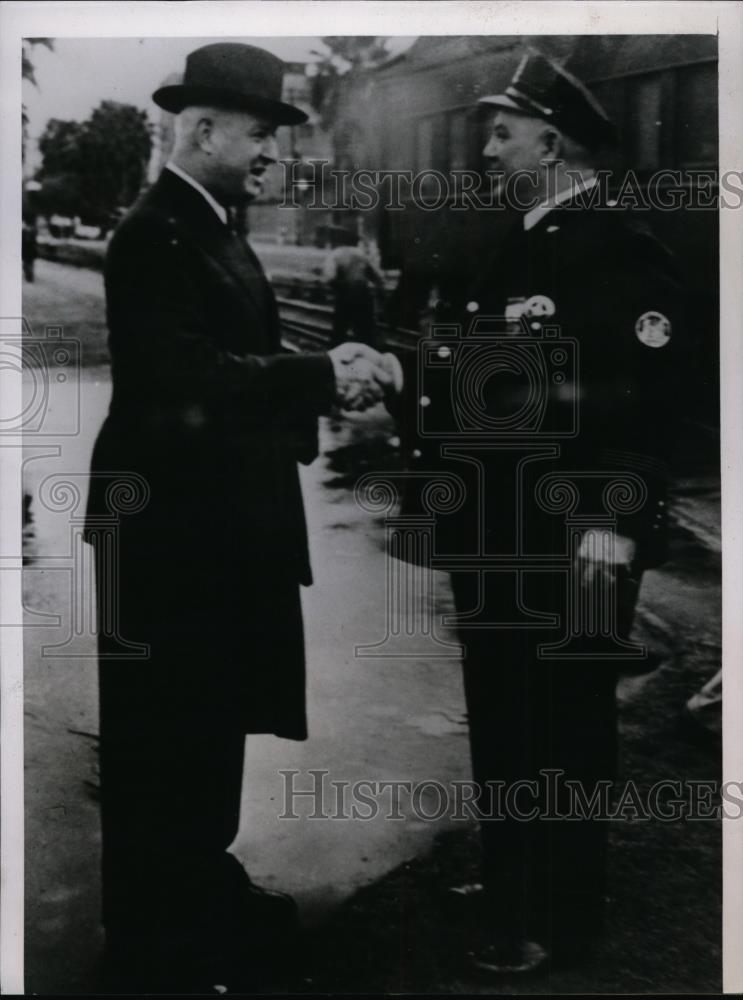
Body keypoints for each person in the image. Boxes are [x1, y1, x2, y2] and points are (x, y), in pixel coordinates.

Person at [83, 42, 393, 992]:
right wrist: (321, 375)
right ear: (202, 128)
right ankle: (154, 937)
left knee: (206, 727)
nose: (272, 153)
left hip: (214, 526)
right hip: (171, 535)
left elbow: (237, 363)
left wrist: (325, 385)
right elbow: (183, 382)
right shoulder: (152, 234)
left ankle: (199, 889)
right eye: (260, 133)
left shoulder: (211, 223)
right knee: (161, 740)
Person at [395, 49, 685, 976]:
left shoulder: (616, 248)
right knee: (502, 709)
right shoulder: (521, 239)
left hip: (576, 539)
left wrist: (614, 525)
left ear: (550, 141)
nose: (486, 146)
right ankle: (512, 874)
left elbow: (644, 408)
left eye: (502, 130)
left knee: (562, 721)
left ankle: (559, 915)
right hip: (501, 535)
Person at [323, 229, 386, 348]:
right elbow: (376, 276)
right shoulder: (361, 254)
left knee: (340, 330)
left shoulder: (335, 254)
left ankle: (336, 354)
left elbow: (330, 277)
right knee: (365, 332)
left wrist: (338, 289)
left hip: (345, 295)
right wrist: (381, 293)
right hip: (364, 295)